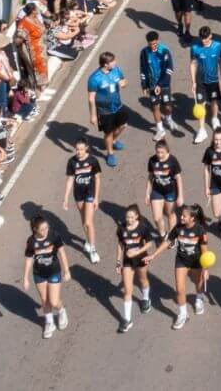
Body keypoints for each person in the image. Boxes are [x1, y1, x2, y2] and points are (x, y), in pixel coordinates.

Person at [114, 204, 166, 332]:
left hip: (141, 259)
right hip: (127, 261)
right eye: (127, 217)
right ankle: (127, 320)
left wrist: (136, 253)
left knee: (143, 280)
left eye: (131, 217)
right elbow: (120, 244)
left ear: (137, 216)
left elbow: (149, 244)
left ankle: (145, 298)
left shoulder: (143, 227)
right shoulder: (121, 228)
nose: (129, 219)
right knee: (127, 290)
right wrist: (118, 261)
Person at [62, 139, 103, 262]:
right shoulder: (71, 162)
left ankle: (93, 249)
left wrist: (96, 198)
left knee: (88, 222)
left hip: (89, 193)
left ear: (86, 148)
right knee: (83, 219)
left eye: (81, 149)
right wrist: (66, 198)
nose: (79, 152)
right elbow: (69, 180)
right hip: (78, 194)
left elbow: (98, 178)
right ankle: (88, 241)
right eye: (77, 149)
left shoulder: (93, 161)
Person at [87, 51, 128, 166]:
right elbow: (91, 98)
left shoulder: (116, 70)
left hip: (118, 106)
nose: (116, 62)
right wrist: (93, 115)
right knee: (108, 133)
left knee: (123, 125)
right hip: (105, 111)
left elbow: (124, 80)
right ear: (105, 64)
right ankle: (110, 153)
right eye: (113, 61)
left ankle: (113, 140)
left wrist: (123, 83)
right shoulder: (94, 78)